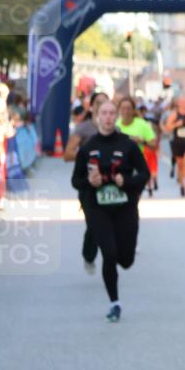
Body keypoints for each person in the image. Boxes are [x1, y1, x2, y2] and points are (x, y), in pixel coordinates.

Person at [71, 101, 150, 322]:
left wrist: (127, 181)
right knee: (109, 253)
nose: (107, 117)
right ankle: (114, 303)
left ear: (117, 117)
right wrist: (90, 182)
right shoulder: (88, 147)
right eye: (103, 113)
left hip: (125, 207)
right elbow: (75, 180)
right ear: (97, 116)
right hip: (97, 209)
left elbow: (144, 174)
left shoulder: (128, 145)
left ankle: (121, 262)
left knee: (126, 260)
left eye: (111, 113)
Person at [65, 92, 110, 274]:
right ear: (91, 106)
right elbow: (67, 154)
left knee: (108, 221)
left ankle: (110, 255)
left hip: (109, 183)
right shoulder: (83, 128)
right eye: (98, 103)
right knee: (94, 223)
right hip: (87, 184)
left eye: (105, 103)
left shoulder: (114, 129)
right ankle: (89, 255)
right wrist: (88, 156)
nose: (101, 106)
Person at [116, 97, 159, 196]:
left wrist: (142, 141)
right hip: (118, 165)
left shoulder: (142, 124)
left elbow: (154, 145)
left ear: (133, 110)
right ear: (119, 110)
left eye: (128, 108)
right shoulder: (115, 125)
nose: (126, 111)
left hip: (136, 165)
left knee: (133, 195)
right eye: (123, 108)